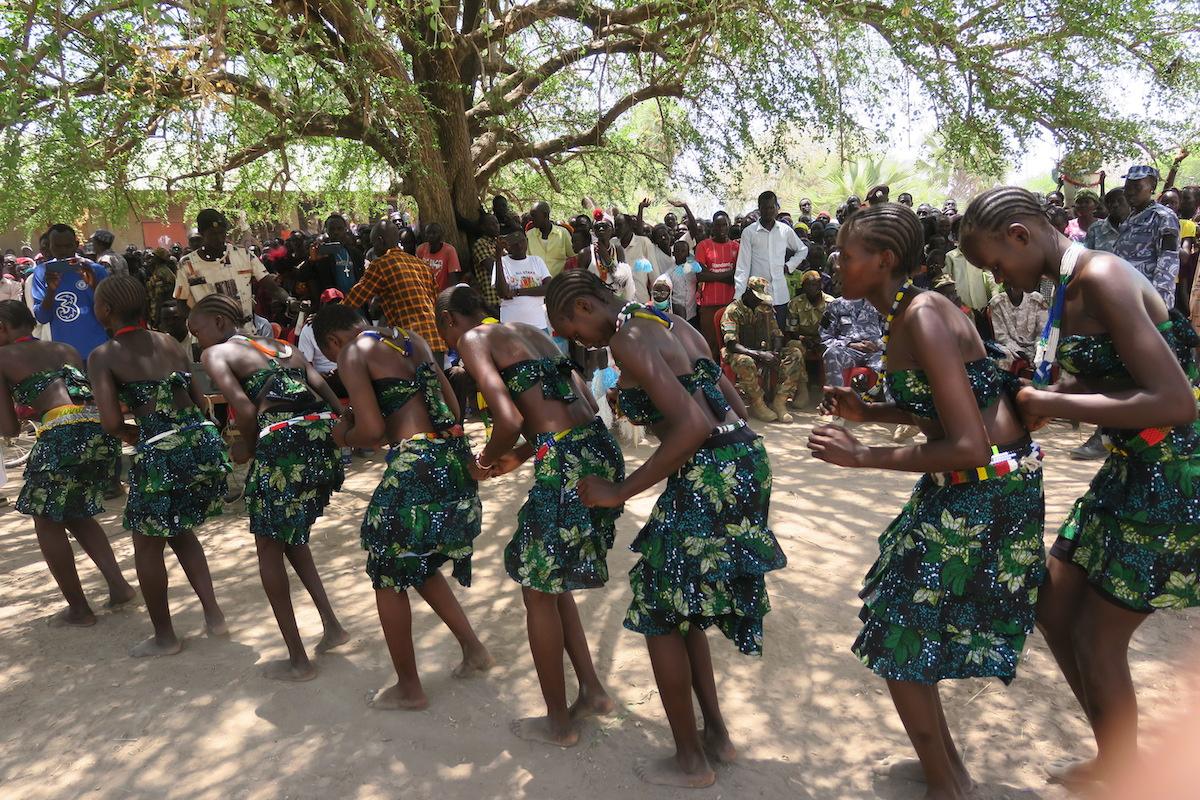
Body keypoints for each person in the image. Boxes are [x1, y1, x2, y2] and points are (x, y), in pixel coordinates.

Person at [959, 186, 1200, 792]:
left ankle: (1125, 773)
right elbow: (1113, 380)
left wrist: (1057, 402)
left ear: (1020, 235)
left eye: (995, 264)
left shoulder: (1103, 278)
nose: (998, 279)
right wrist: (1044, 394)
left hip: (1173, 481)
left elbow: (1176, 401)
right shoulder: (1069, 288)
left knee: (1096, 637)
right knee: (1052, 606)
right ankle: (1116, 758)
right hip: (1130, 471)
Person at [809, 202, 1045, 800]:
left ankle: (948, 785)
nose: (837, 264)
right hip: (967, 484)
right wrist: (872, 412)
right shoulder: (908, 313)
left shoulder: (922, 316)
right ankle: (947, 772)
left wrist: (863, 455)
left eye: (847, 254)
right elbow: (948, 410)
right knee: (906, 627)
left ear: (884, 260)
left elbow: (969, 443)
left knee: (900, 635)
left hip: (985, 488)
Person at [545, 269, 785, 789]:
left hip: (709, 469)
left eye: (570, 329)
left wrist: (620, 490)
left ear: (584, 306)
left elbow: (693, 427)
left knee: (658, 613)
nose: (577, 341)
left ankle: (690, 762)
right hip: (745, 460)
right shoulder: (671, 321)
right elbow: (734, 407)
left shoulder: (628, 339)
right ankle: (715, 735)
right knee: (684, 609)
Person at [435, 284, 622, 748]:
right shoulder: (529, 332)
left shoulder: (473, 340)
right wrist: (521, 455)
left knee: (537, 590)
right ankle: (592, 692)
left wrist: (483, 462)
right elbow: (581, 402)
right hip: (597, 446)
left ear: (448, 321)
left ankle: (558, 723)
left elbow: (509, 418)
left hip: (565, 461)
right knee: (551, 582)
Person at [312, 303, 493, 710]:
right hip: (453, 457)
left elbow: (373, 432)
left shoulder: (353, 352)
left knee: (386, 570)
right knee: (416, 562)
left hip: (417, 465)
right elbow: (451, 406)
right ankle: (474, 650)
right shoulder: (408, 338)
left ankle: (409, 688)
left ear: (333, 341)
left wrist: (341, 436)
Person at [188, 293, 350, 681]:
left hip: (283, 441)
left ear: (220, 323)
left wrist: (247, 448)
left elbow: (245, 411)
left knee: (267, 545)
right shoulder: (283, 346)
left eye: (197, 331)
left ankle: (298, 660)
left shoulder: (217, 353)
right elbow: (326, 392)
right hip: (321, 439)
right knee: (290, 536)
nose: (196, 340)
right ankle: (332, 627)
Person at [87, 276, 232, 657]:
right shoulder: (169, 342)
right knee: (181, 531)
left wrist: (136, 435)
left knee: (147, 546)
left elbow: (110, 423)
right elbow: (198, 400)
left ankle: (165, 637)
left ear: (105, 311)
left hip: (160, 449)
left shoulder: (103, 355)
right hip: (200, 443)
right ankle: (214, 615)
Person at [0, 300, 136, 626]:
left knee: (45, 519)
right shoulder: (65, 348)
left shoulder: (3, 357)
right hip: (98, 430)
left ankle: (79, 609)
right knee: (76, 512)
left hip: (62, 433)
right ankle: (119, 587)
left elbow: (9, 428)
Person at [173, 209, 286, 335]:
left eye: (222, 233)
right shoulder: (187, 265)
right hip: (210, 338)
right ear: (201, 233)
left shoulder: (243, 255)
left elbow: (272, 287)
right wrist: (200, 325)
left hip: (245, 334)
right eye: (213, 234)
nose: (219, 238)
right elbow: (181, 304)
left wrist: (289, 300)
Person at [346, 218, 446, 360]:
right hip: (436, 339)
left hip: (411, 344)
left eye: (373, 243)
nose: (373, 248)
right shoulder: (421, 264)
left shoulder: (380, 264)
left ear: (380, 241)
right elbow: (437, 301)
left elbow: (354, 299)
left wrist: (330, 315)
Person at [722, 277, 806, 422]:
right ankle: (758, 403)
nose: (759, 300)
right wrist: (759, 355)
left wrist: (776, 353)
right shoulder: (733, 311)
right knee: (745, 361)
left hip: (764, 350)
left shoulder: (765, 309)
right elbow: (731, 344)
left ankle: (779, 402)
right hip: (741, 352)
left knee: (795, 353)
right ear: (748, 292)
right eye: (757, 297)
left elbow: (776, 333)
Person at [32, 224, 109, 359]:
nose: (63, 251)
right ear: (49, 246)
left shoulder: (96, 270)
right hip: (65, 353)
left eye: (68, 246)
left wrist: (94, 285)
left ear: (76, 245)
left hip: (98, 349)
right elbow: (42, 318)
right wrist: (51, 291)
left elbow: (111, 312)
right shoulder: (41, 273)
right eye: (57, 246)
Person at [735, 191, 807, 329]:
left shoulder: (785, 230)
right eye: (765, 208)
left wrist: (789, 266)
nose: (768, 211)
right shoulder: (749, 232)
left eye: (771, 207)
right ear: (759, 208)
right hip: (757, 297)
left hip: (780, 295)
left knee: (779, 335)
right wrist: (738, 296)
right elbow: (743, 266)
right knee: (760, 336)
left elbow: (802, 250)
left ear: (776, 208)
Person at [1114, 165, 1181, 307]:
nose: (1130, 192)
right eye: (1127, 187)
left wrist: (1159, 304)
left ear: (1152, 187)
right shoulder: (1131, 217)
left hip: (1146, 300)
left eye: (1137, 187)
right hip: (1124, 296)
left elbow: (1168, 262)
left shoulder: (1163, 217)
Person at [694, 212, 739, 359]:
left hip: (730, 305)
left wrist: (712, 275)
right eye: (718, 225)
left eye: (724, 225)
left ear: (729, 226)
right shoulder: (703, 246)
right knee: (710, 345)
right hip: (709, 305)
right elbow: (700, 275)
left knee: (730, 344)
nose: (721, 228)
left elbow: (737, 276)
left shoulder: (736, 247)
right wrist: (728, 275)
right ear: (713, 227)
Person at [819, 295, 884, 387]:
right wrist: (850, 344)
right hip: (848, 351)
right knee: (831, 353)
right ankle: (837, 393)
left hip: (875, 352)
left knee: (891, 360)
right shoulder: (835, 305)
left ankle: (883, 394)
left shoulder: (879, 304)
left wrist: (878, 345)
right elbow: (825, 336)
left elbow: (890, 333)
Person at [496, 229, 552, 332]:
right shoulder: (502, 263)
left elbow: (548, 288)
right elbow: (502, 293)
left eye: (522, 241)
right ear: (507, 247)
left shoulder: (537, 261)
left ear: (527, 241)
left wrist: (517, 292)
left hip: (538, 324)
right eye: (514, 243)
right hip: (511, 325)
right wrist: (498, 258)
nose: (519, 246)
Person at [987, 283, 1049, 372]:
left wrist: (1039, 352)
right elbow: (1002, 337)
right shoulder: (997, 304)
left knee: (1050, 353)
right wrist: (1019, 352)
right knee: (1001, 356)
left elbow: (1043, 333)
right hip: (1011, 349)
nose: (1012, 288)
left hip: (1035, 347)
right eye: (1008, 283)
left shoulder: (1036, 300)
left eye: (1014, 282)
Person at [527, 202, 575, 277]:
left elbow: (573, 256)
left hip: (558, 281)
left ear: (545, 215)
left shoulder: (563, 233)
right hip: (537, 282)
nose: (531, 219)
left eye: (534, 216)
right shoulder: (529, 235)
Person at [415, 222, 462, 292]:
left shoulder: (449, 251)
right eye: (428, 233)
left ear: (441, 235)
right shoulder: (421, 249)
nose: (431, 236)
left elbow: (453, 277)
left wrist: (449, 295)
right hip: (426, 292)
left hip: (442, 292)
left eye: (434, 233)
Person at [1084, 189, 1130, 254]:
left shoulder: (1138, 226)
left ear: (1129, 203)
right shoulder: (1095, 229)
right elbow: (1087, 255)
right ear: (1106, 206)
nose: (1115, 204)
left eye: (1120, 200)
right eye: (1111, 202)